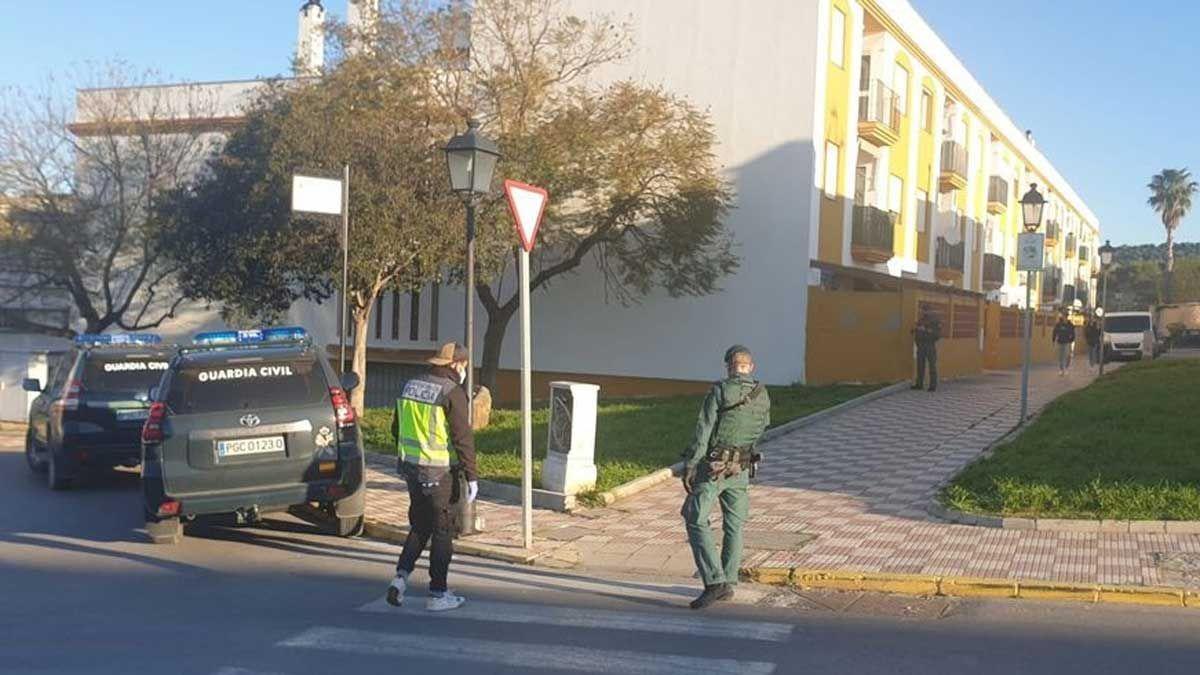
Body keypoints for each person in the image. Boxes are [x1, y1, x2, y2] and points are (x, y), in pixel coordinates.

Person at [386, 341, 478, 612]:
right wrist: (472, 475)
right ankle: (438, 594)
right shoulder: (452, 392)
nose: (464, 370)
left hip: (411, 470)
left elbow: (395, 428)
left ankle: (400, 579)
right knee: (442, 531)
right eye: (464, 365)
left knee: (420, 525)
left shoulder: (410, 385)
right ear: (456, 365)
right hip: (438, 472)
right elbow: (463, 438)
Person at [680, 345, 771, 610]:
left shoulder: (720, 390)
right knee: (734, 525)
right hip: (741, 467)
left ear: (729, 366)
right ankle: (729, 581)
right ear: (750, 367)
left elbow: (704, 428)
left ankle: (713, 581)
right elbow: (763, 426)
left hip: (714, 468)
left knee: (694, 517)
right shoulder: (762, 393)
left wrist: (692, 464)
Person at [912, 308, 941, 392]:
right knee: (920, 366)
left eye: (925, 310)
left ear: (930, 311)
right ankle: (919, 384)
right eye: (923, 310)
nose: (924, 312)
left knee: (932, 365)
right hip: (921, 345)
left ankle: (932, 386)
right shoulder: (921, 320)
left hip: (930, 345)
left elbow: (937, 335)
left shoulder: (935, 321)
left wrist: (926, 330)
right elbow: (917, 331)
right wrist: (917, 331)